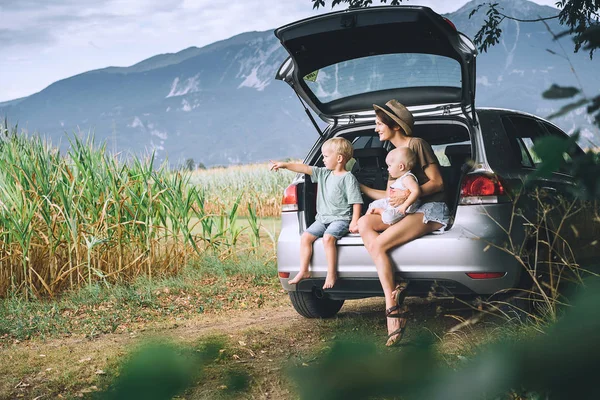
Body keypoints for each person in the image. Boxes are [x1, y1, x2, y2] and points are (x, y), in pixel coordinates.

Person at [357, 99, 449, 346]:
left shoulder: (416, 145)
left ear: (395, 125)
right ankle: (395, 285)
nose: (376, 129)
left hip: (429, 209)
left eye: (378, 124)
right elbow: (390, 196)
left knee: (378, 246)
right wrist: (361, 188)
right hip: (405, 210)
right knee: (365, 223)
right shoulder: (392, 159)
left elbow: (438, 182)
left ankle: (393, 312)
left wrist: (409, 195)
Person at [270, 137, 363, 290]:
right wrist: (285, 165)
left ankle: (331, 273)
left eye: (326, 156)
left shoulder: (348, 178)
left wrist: (354, 221)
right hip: (322, 219)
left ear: (339, 158)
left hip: (340, 219)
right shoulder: (323, 173)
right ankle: (304, 270)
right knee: (306, 237)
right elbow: (304, 168)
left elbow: (356, 201)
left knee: (328, 238)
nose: (323, 160)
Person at [366, 147, 421, 226]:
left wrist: (405, 205)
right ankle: (363, 221)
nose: (388, 169)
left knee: (389, 218)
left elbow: (416, 191)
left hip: (402, 207)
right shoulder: (400, 178)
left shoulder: (407, 178)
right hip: (392, 203)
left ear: (401, 167)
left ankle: (380, 211)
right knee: (374, 204)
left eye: (389, 166)